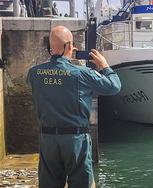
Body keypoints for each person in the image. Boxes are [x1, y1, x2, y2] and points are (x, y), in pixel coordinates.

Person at [26, 26, 121, 188]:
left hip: (48, 140)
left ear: (50, 47)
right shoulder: (82, 74)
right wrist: (104, 66)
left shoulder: (34, 73)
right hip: (75, 140)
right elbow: (114, 86)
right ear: (69, 46)